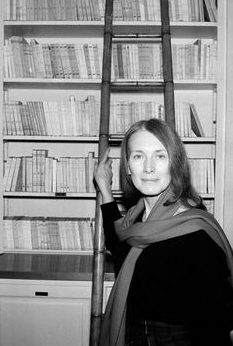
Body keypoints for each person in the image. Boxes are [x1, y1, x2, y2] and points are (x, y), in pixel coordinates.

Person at [94, 118, 233, 346]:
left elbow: (214, 326)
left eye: (160, 156)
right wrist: (105, 188)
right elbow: (120, 246)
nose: (148, 168)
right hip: (134, 334)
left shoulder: (195, 237)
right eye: (138, 156)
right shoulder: (137, 218)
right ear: (128, 167)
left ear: (174, 164)